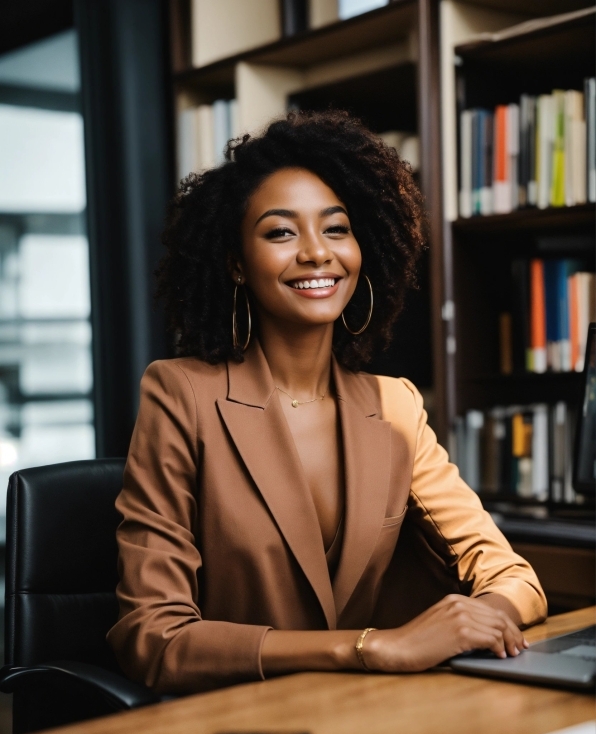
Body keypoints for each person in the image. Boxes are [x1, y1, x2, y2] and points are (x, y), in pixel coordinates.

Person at [108, 110, 547, 694]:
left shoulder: (394, 407)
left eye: (336, 229)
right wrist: (371, 647)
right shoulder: (181, 395)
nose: (317, 253)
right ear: (236, 263)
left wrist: (480, 614)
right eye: (281, 232)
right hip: (229, 727)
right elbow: (153, 636)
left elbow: (514, 578)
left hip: (360, 722)